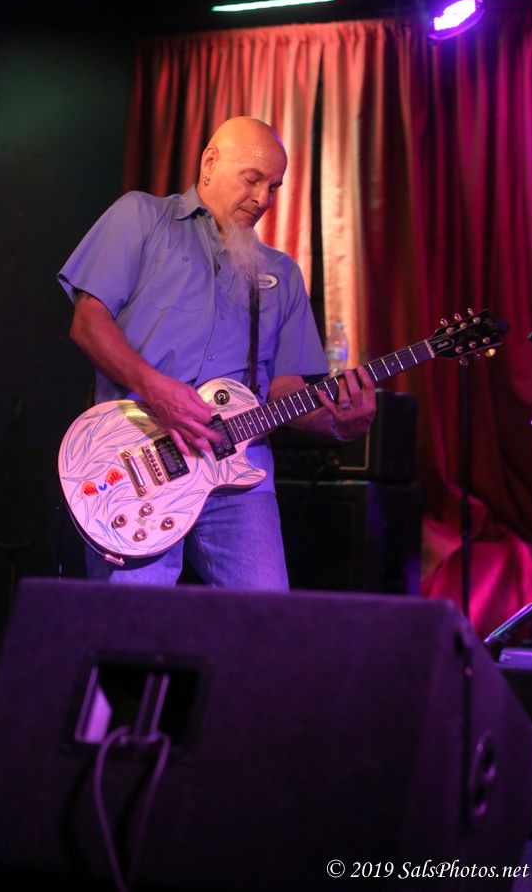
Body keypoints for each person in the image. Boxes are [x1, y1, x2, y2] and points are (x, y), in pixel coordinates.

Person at [58, 116, 376, 590]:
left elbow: (285, 391)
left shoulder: (282, 274)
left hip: (241, 480)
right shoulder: (141, 216)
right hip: (137, 458)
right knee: (133, 622)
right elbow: (87, 322)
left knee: (266, 622)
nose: (263, 198)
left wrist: (337, 424)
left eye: (274, 187)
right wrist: (154, 387)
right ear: (209, 162)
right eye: (253, 179)